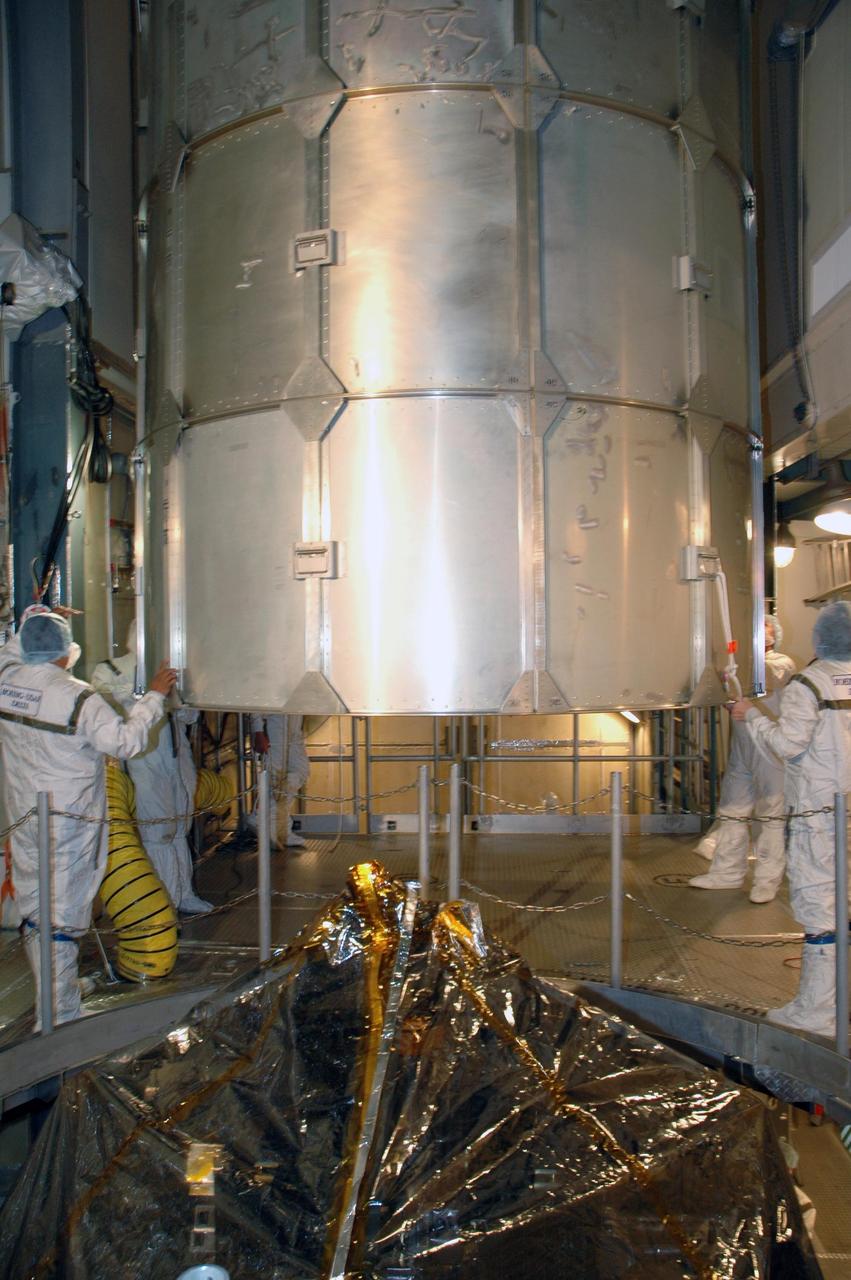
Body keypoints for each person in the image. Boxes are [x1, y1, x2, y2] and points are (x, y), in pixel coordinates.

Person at [0, 608, 176, 1026]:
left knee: (36, 907)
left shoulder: (7, 682)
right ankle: (58, 1018)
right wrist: (153, 696)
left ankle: (55, 992)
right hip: (68, 823)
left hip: (25, 817)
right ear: (66, 652)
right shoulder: (79, 697)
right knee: (61, 916)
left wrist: (37, 617)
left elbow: (10, 653)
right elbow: (125, 742)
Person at [730, 600, 851, 1037]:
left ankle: (817, 1012)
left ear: (821, 639)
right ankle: (840, 1001)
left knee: (819, 905)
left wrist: (751, 717)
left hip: (819, 811)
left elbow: (788, 746)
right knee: (846, 903)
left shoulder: (809, 683)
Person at [91, 626, 211, 915]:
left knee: (179, 826)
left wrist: (180, 695)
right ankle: (164, 904)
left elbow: (190, 715)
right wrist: (152, 694)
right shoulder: (109, 670)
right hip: (142, 760)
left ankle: (183, 893)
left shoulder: (170, 672)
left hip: (176, 756)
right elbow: (108, 712)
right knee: (158, 832)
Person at [690, 615, 796, 903]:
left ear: (773, 637)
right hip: (743, 747)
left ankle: (767, 881)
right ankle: (726, 873)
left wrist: (728, 673)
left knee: (771, 815)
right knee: (732, 810)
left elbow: (761, 680)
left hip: (769, 748)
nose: (760, 631)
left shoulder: (781, 663)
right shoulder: (740, 666)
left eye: (764, 628)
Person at [248, 714, 310, 849]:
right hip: (276, 724)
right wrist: (258, 732)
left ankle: (280, 829)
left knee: (300, 771)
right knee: (276, 778)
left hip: (294, 726)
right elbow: (254, 704)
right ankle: (261, 818)